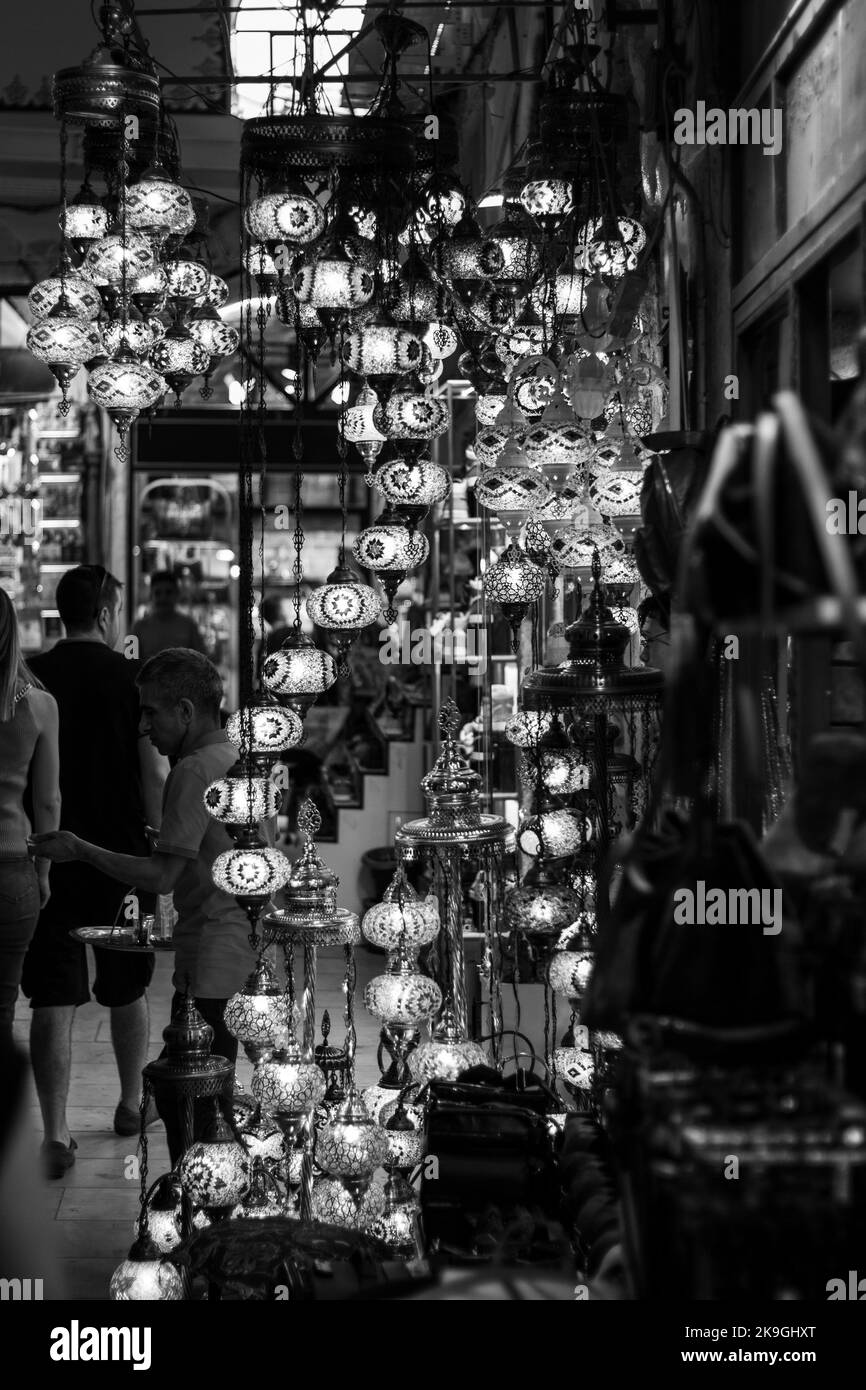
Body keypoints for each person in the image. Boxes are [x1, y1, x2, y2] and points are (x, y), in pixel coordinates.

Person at [30, 648, 259, 1164]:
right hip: (235, 946)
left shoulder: (194, 770)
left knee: (199, 1108)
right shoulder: (231, 756)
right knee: (204, 1091)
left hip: (213, 955)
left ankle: (203, 1211)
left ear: (185, 710)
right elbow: (209, 848)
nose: (143, 726)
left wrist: (81, 850)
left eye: (151, 712)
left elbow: (161, 876)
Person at [21, 566, 169, 1177]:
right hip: (120, 857)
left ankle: (55, 1132)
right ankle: (132, 1103)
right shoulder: (132, 679)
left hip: (48, 854)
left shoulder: (29, 674)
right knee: (126, 984)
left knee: (52, 992)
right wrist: (162, 849)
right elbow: (153, 770)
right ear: (107, 614)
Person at [0, 589, 60, 1044]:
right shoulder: (38, 705)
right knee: (3, 1006)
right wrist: (43, 873)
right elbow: (47, 803)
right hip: (11, 867)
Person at [130, 570, 207, 663]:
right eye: (158, 593)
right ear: (151, 596)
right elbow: (128, 663)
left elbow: (203, 663)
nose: (163, 598)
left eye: (168, 592)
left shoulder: (190, 627)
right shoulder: (137, 628)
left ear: (177, 595)